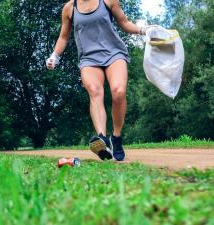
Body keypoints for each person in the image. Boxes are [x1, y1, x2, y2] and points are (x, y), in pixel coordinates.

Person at [46, 0, 151, 161]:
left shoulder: (108, 1)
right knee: (95, 91)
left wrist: (144, 30)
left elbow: (124, 23)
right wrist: (55, 56)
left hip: (114, 53)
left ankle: (116, 137)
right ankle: (102, 139)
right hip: (88, 58)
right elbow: (63, 37)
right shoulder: (69, 8)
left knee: (119, 91)